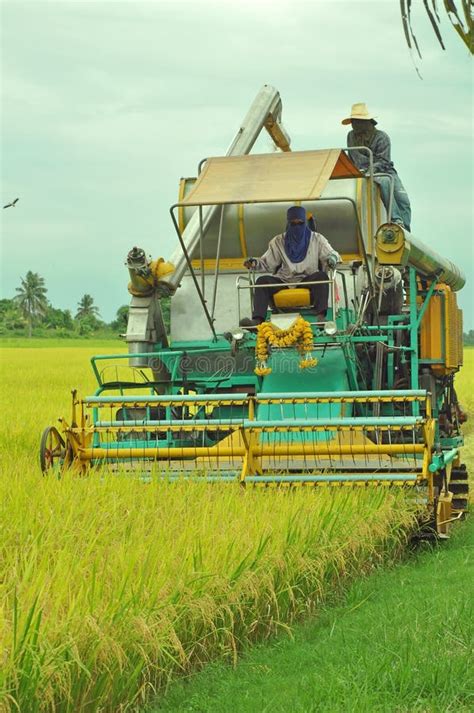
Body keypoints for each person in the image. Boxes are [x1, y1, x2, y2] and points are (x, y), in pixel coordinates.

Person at [239, 206, 340, 327]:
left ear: (305, 223)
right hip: (284, 280)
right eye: (293, 224)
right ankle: (257, 321)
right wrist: (253, 263)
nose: (297, 227)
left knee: (322, 276)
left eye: (300, 223)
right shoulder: (278, 241)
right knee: (261, 281)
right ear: (288, 223)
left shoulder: (317, 239)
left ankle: (321, 318)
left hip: (307, 279)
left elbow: (332, 254)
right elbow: (267, 263)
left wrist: (332, 259)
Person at [342, 102, 411, 231]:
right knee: (384, 183)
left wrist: (370, 170)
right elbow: (353, 156)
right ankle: (396, 219)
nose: (354, 124)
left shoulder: (382, 137)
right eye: (353, 121)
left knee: (403, 200)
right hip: (361, 172)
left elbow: (384, 161)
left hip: (384, 171)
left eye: (357, 121)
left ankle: (406, 231)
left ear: (367, 122)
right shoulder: (351, 136)